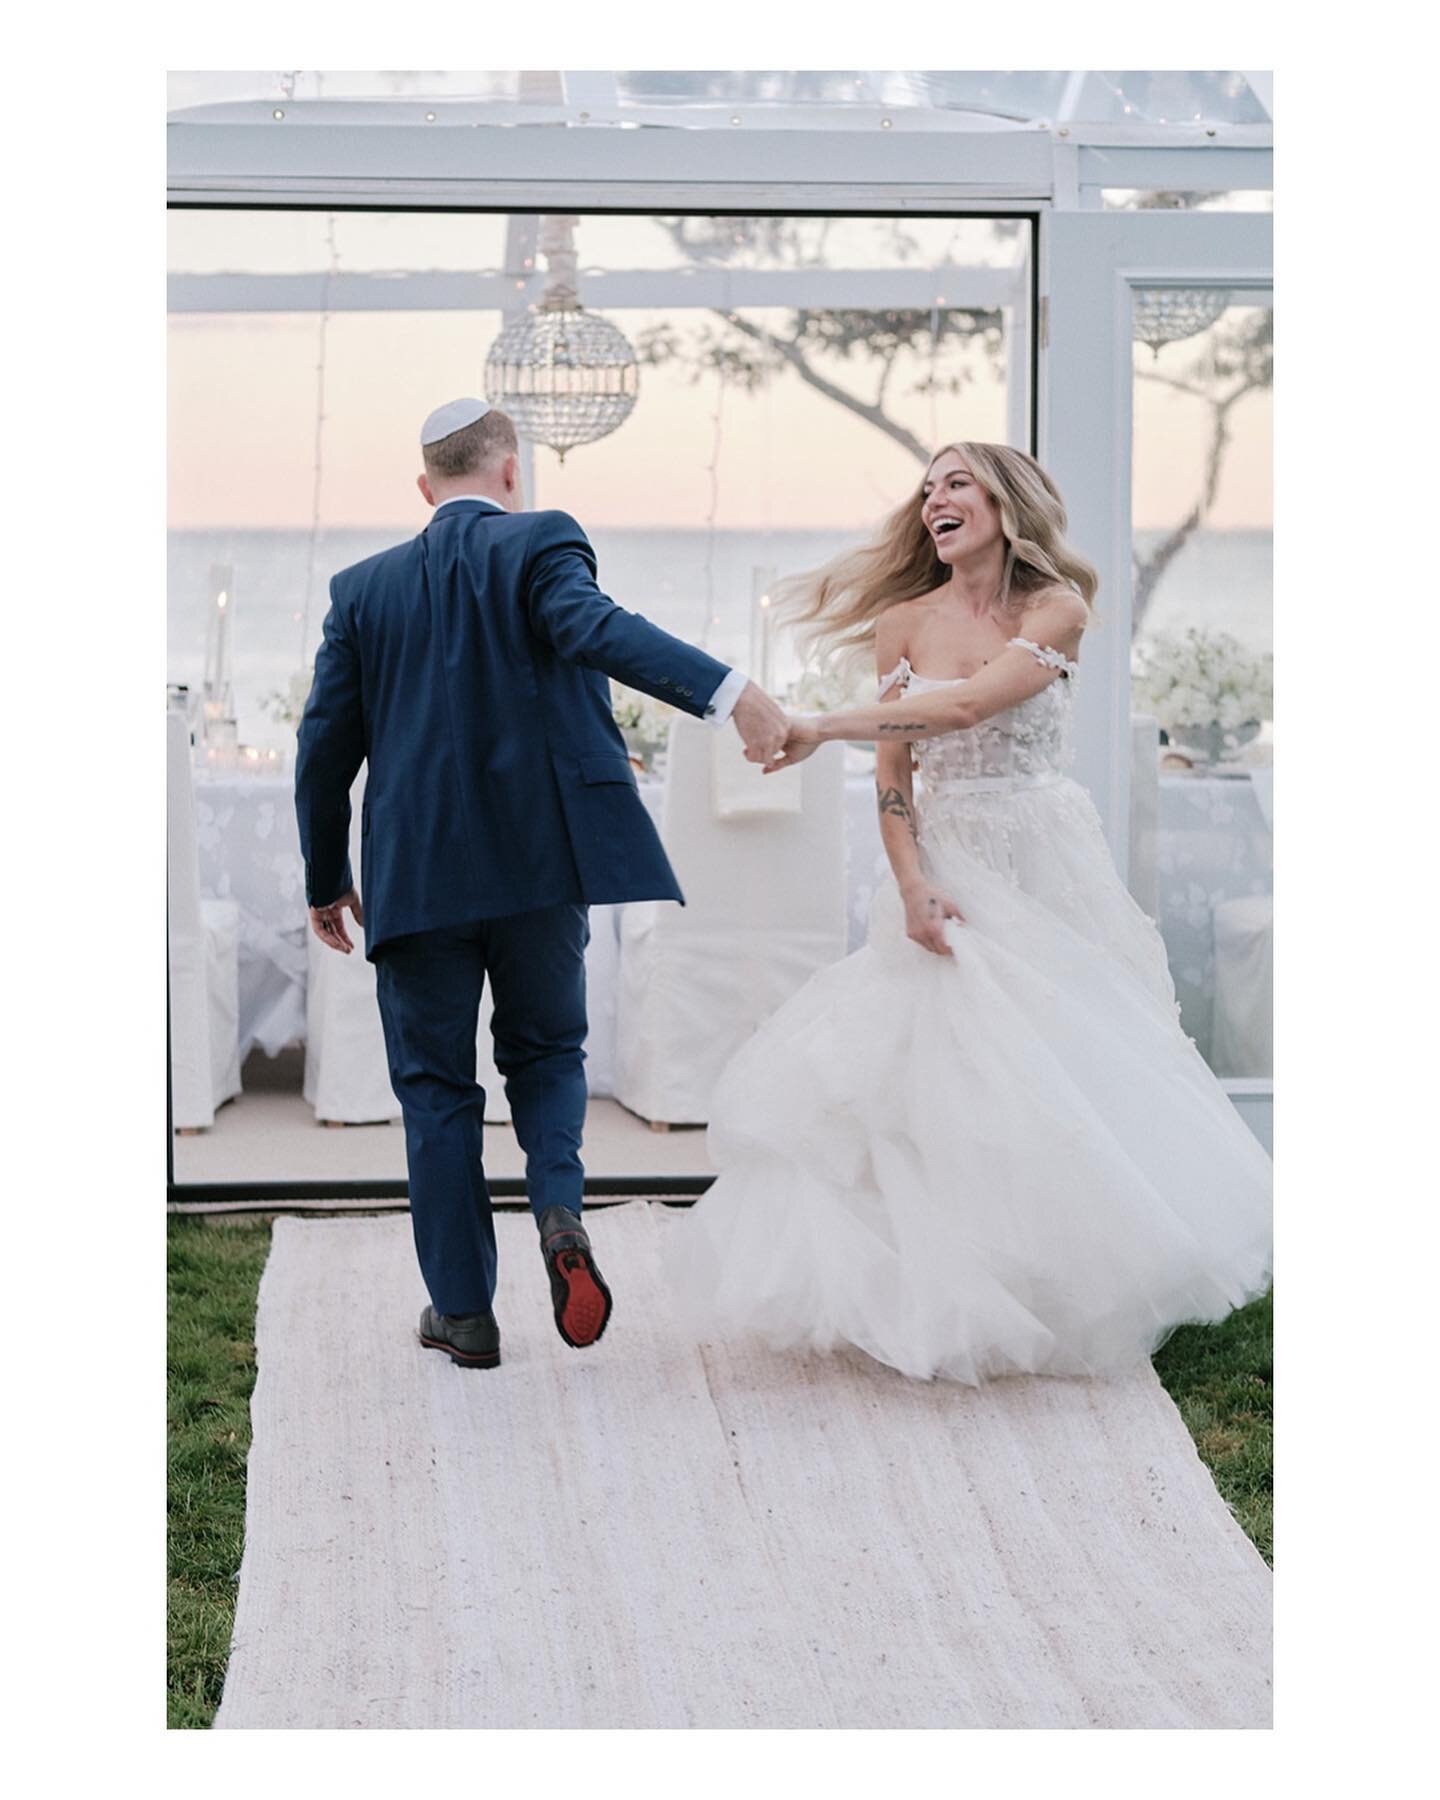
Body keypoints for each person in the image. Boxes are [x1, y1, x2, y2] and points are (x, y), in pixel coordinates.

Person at [666, 442, 1272, 1384]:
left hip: (1043, 857)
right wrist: (911, 882)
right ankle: (939, 1286)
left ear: (1004, 499)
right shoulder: (901, 623)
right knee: (933, 1073)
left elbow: (964, 712)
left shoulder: (1055, 610)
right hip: (945, 863)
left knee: (1064, 1067)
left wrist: (816, 724)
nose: (935, 499)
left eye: (956, 482)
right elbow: (897, 773)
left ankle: (1071, 1278)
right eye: (928, 488)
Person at [295, 398, 788, 1369]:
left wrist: (326, 874)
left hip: (417, 876)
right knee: (549, 1054)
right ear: (512, 473)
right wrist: (732, 691)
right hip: (537, 868)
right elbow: (594, 628)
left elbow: (322, 750)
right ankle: (558, 1209)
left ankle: (465, 1316)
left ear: (425, 487)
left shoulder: (361, 591)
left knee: (437, 1093)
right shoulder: (543, 542)